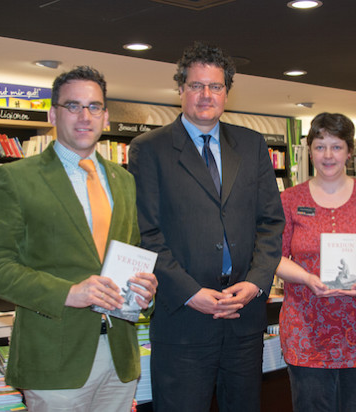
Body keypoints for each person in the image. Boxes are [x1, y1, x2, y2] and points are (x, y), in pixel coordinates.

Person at [0, 66, 157, 412]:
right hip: (53, 360)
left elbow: (133, 251)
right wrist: (68, 293)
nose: (84, 116)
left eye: (94, 107)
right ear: (53, 113)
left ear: (106, 116)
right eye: (73, 106)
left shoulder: (124, 180)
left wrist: (146, 287)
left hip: (120, 357)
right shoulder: (15, 178)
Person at [128, 42, 285, 412]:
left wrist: (256, 282)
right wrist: (189, 292)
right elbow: (146, 233)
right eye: (196, 85)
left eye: (215, 86)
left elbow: (271, 223)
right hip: (183, 320)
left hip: (243, 319)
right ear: (180, 89)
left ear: (226, 92)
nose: (205, 95)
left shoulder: (251, 145)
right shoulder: (149, 149)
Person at [275, 112, 356, 412]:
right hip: (307, 329)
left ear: (349, 151)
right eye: (320, 146)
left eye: (336, 146)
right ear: (309, 151)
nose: (327, 155)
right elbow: (272, 257)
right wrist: (306, 278)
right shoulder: (290, 200)